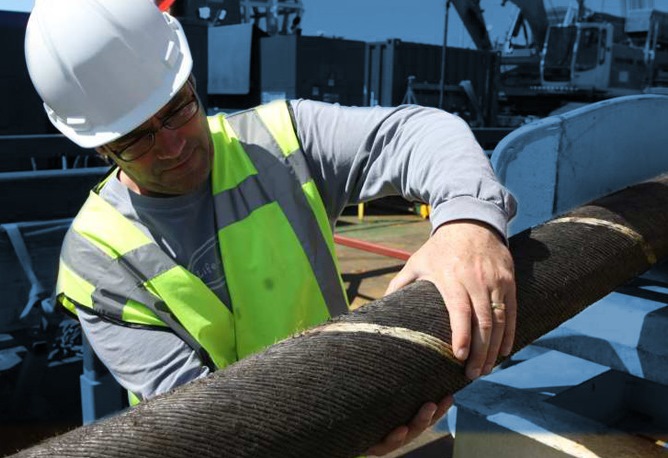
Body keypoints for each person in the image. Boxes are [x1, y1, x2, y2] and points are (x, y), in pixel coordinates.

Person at [25, 0, 517, 455]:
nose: (173, 146)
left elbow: (415, 132)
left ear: (191, 81)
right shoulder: (96, 258)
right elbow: (205, 425)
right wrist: (349, 423)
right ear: (101, 148)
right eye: (136, 139)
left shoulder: (280, 141)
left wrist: (468, 224)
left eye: (177, 108)